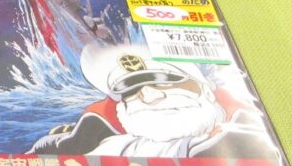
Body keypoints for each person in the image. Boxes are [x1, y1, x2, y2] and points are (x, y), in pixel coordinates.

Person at [29, 44, 277, 159]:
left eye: (165, 81)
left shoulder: (248, 128)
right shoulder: (112, 141)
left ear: (206, 90)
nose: (150, 96)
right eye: (132, 91)